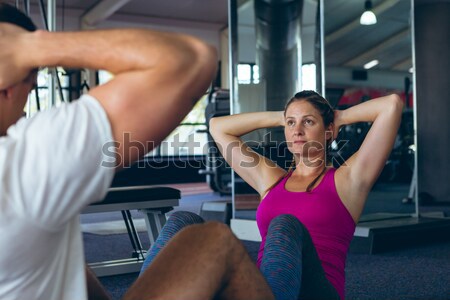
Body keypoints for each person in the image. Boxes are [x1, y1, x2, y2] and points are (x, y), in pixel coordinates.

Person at [0, 3, 274, 300]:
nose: (27, 103)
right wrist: (27, 46)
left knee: (186, 227)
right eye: (31, 83)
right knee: (213, 239)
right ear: (7, 84)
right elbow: (192, 59)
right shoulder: (22, 161)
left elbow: (59, 260)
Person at [208, 90, 404, 299]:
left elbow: (391, 105)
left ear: (328, 131)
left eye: (308, 122)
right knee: (185, 223)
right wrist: (281, 117)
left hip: (317, 291)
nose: (297, 130)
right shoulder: (271, 179)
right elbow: (218, 127)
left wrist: (340, 117)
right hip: (263, 290)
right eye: (291, 123)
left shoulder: (348, 179)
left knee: (285, 224)